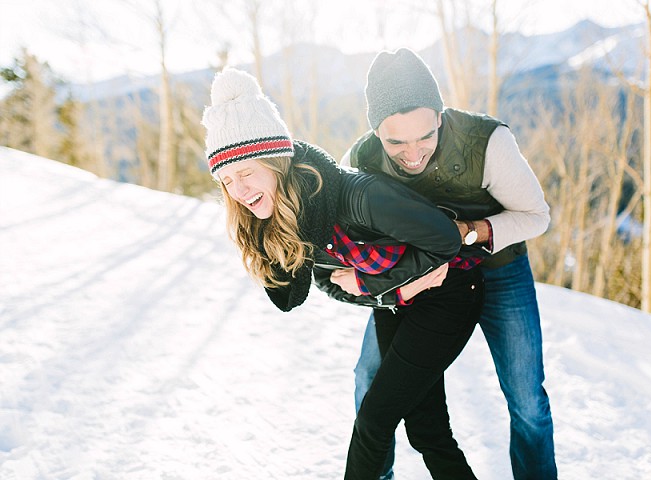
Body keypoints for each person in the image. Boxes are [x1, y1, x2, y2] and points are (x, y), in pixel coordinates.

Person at [201, 68, 484, 479]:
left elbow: (446, 240)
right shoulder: (295, 217)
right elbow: (328, 286)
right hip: (400, 306)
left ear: (277, 162)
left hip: (449, 295)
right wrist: (390, 292)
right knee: (427, 430)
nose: (239, 191)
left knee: (375, 419)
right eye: (227, 180)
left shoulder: (358, 197)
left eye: (246, 173)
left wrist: (371, 283)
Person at [341, 48, 557, 480]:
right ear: (375, 132)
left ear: (440, 117)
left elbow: (536, 216)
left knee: (527, 399)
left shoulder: (487, 142)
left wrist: (468, 232)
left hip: (498, 268)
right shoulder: (360, 159)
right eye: (395, 141)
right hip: (418, 278)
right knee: (371, 376)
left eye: (424, 136)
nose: (413, 152)